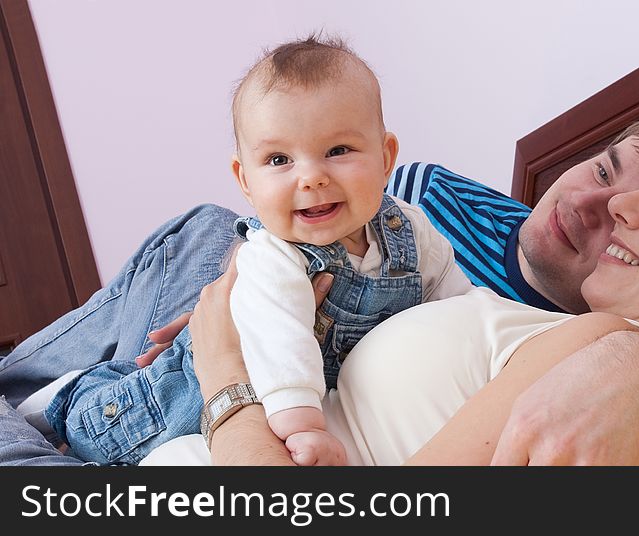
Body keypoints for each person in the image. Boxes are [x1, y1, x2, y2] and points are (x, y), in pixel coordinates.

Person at [0, 106, 639, 466]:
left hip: (267, 395)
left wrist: (225, 360)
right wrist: (244, 290)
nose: (596, 204)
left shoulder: (570, 336)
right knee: (212, 234)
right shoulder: (434, 198)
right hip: (261, 297)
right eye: (603, 168)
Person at [167, 110, 639, 466]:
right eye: (635, 180)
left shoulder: (605, 361)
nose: (622, 206)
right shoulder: (591, 351)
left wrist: (224, 375)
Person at [35, 37, 474, 466]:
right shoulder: (274, 255)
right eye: (280, 160)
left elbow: (458, 305)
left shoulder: (408, 229)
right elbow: (282, 344)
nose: (311, 177)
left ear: (386, 157)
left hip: (289, 395)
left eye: (337, 151)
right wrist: (304, 427)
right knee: (104, 440)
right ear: (245, 181)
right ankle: (67, 397)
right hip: (183, 397)